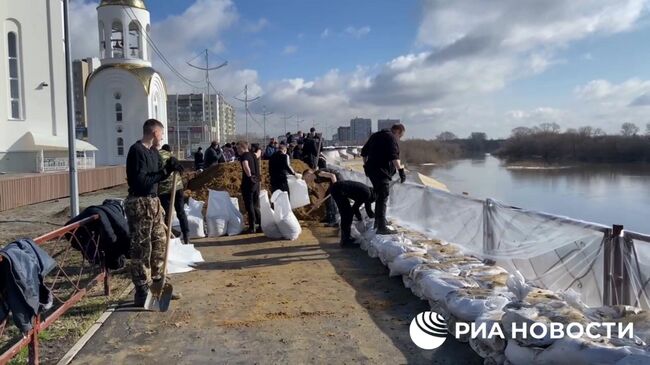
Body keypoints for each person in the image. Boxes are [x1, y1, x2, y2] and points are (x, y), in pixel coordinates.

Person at [125, 119, 183, 307]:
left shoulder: (154, 152)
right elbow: (141, 182)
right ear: (154, 133)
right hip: (140, 203)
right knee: (142, 247)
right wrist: (164, 171)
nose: (163, 137)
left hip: (154, 202)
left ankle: (159, 284)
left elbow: (159, 174)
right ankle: (142, 289)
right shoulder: (137, 152)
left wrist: (170, 167)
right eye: (162, 133)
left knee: (159, 242)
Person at [361, 123, 406, 235]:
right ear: (398, 131)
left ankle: (378, 222)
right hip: (381, 171)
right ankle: (381, 227)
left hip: (372, 170)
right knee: (383, 197)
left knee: (379, 195)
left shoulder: (375, 135)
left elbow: (363, 152)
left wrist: (366, 166)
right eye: (400, 136)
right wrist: (401, 171)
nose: (399, 139)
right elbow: (394, 156)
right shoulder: (391, 138)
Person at [158, 144, 190, 246]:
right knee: (181, 212)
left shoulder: (156, 156)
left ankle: (168, 238)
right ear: (170, 150)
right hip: (177, 188)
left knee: (167, 214)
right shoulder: (172, 157)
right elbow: (181, 170)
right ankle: (186, 236)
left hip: (163, 191)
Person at [330, 181, 375, 247]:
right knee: (347, 214)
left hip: (338, 189)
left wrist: (378, 218)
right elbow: (355, 208)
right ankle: (345, 241)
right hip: (338, 190)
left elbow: (369, 211)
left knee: (347, 213)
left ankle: (345, 239)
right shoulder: (367, 194)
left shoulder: (367, 192)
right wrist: (360, 218)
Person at [238, 141, 261, 233]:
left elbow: (245, 165)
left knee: (249, 205)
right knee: (255, 205)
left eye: (238, 148)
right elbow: (258, 153)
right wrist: (259, 149)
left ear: (242, 147)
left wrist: (249, 175)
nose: (237, 150)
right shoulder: (253, 155)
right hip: (256, 183)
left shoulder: (244, 156)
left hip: (248, 183)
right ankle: (260, 225)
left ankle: (252, 227)